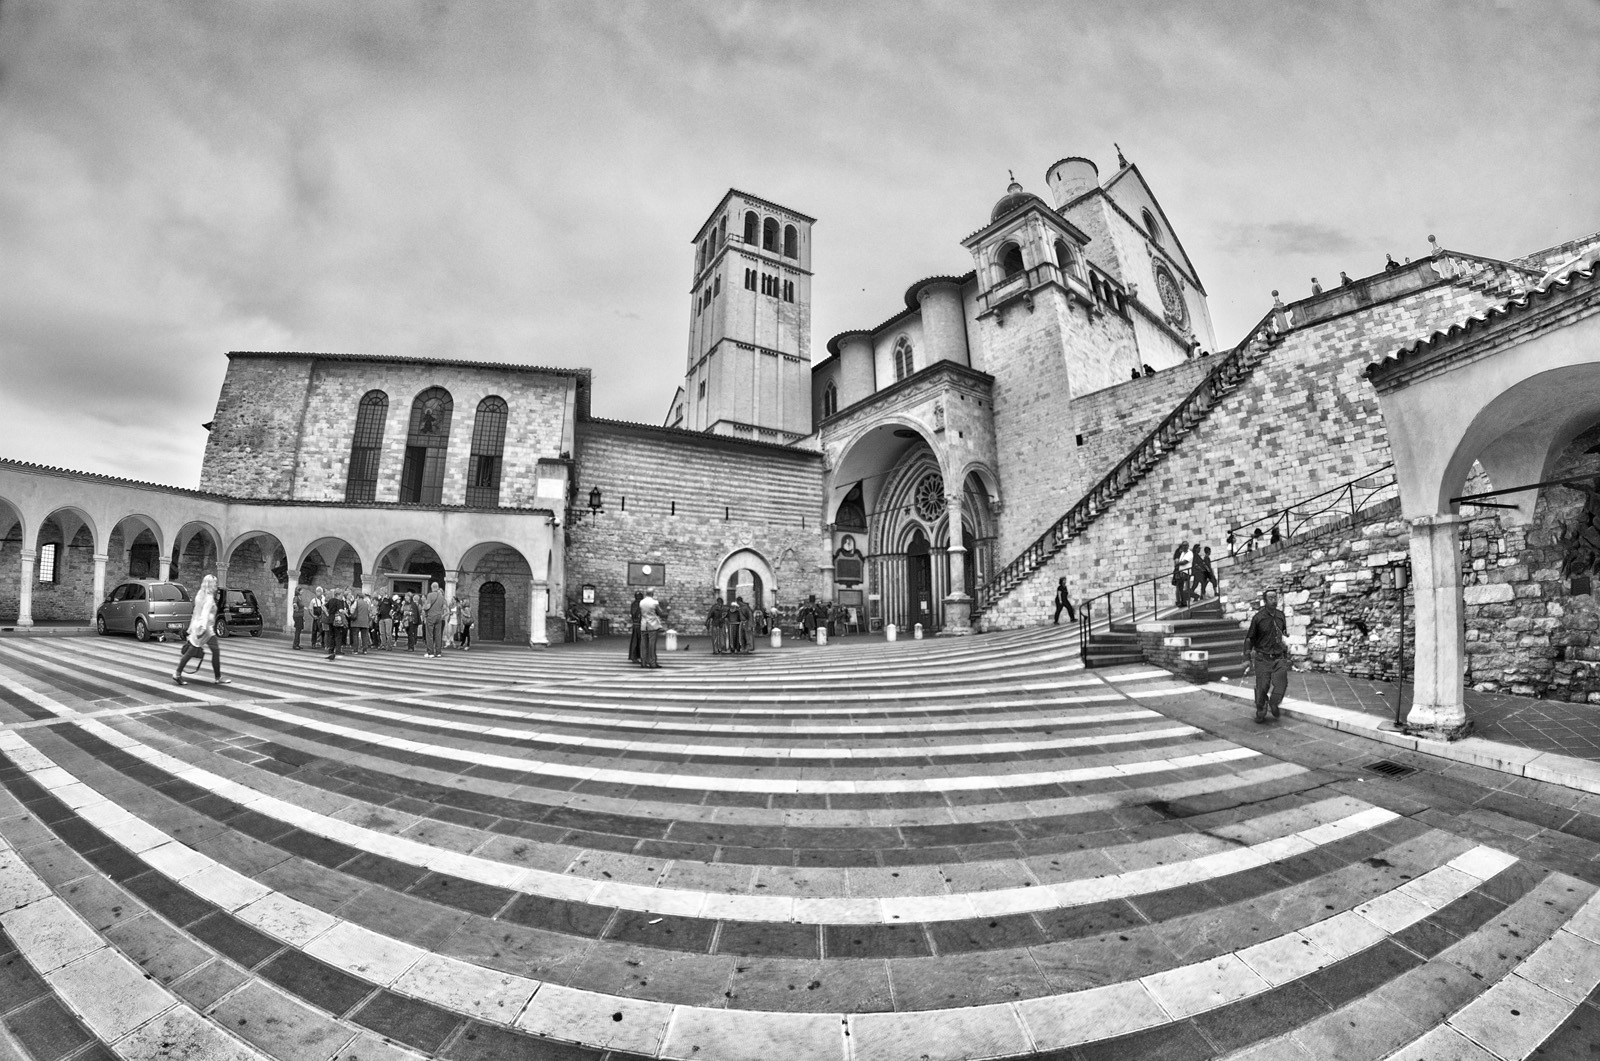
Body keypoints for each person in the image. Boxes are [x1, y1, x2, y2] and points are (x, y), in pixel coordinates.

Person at [1244, 588, 1290, 723]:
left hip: (1278, 657)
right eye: (1270, 598)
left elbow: (1284, 634)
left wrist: (1286, 647)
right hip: (1262, 658)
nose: (1274, 600)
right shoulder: (1258, 618)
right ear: (1265, 601)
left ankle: (1274, 703)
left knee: (1282, 683)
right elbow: (1249, 638)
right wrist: (1247, 657)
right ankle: (1260, 708)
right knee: (1263, 686)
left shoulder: (1281, 616)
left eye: (1275, 597)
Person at [174, 574, 231, 686]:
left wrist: (191, 629)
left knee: (192, 651)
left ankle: (177, 673)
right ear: (210, 585)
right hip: (205, 629)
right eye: (214, 583)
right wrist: (202, 629)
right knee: (215, 651)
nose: (216, 585)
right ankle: (218, 677)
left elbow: (196, 613)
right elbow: (204, 615)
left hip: (197, 626)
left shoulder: (200, 595)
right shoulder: (209, 598)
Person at [638, 588, 663, 668]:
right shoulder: (654, 602)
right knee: (652, 645)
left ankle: (643, 662)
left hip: (643, 625)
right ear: (652, 593)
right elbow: (660, 613)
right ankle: (652, 662)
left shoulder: (641, 602)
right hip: (652, 625)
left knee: (643, 645)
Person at [422, 581, 446, 658]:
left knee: (429, 634)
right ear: (438, 587)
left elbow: (428, 606)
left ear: (432, 587)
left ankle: (430, 652)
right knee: (438, 635)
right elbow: (444, 607)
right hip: (439, 616)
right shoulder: (441, 596)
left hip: (431, 616)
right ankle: (438, 652)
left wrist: (424, 607)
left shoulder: (430, 595)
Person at [324, 591, 348, 660]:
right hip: (337, 620)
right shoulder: (338, 602)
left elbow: (324, 607)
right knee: (338, 635)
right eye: (341, 595)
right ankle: (338, 650)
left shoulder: (331, 600)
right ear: (338, 595)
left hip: (330, 619)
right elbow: (340, 610)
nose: (342, 596)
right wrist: (345, 612)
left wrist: (327, 614)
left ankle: (330, 649)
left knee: (331, 635)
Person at [1172, 542, 1193, 607]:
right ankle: (1183, 601)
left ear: (1187, 546)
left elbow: (1184, 562)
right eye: (1183, 546)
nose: (1184, 547)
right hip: (1181, 572)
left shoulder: (1190, 553)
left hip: (1186, 572)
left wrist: (1177, 563)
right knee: (1179, 587)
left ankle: (1184, 601)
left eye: (1185, 546)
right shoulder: (1182, 553)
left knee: (1182, 587)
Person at [628, 590, 644, 663]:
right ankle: (637, 656)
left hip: (636, 624)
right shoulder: (640, 604)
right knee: (639, 641)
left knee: (635, 641)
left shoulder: (634, 604)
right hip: (639, 624)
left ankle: (635, 656)